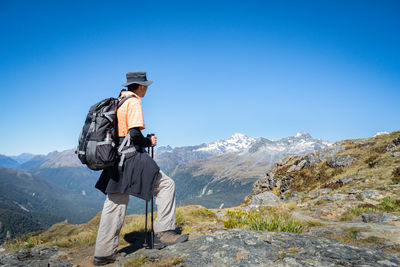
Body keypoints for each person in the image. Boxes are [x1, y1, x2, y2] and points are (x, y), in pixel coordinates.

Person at [93, 71, 188, 266]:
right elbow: (135, 134)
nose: (147, 89)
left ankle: (103, 253)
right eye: (146, 86)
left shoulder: (118, 101)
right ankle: (164, 232)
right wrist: (149, 141)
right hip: (131, 156)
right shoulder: (134, 101)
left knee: (115, 201)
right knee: (167, 185)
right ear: (141, 86)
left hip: (115, 158)